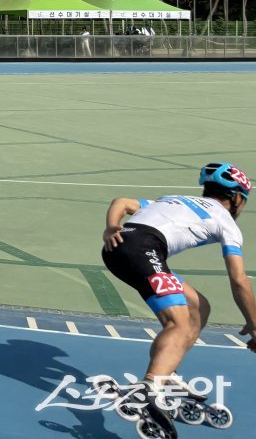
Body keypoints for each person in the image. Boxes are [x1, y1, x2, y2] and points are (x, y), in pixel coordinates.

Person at [100, 162, 256, 430]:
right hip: (144, 252)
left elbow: (122, 202)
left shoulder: (176, 199)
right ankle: (149, 387)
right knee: (179, 324)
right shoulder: (226, 222)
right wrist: (254, 324)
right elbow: (239, 281)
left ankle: (167, 371)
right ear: (237, 197)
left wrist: (111, 227)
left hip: (122, 246)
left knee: (198, 306)